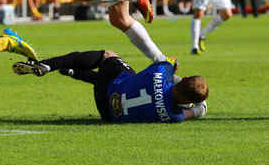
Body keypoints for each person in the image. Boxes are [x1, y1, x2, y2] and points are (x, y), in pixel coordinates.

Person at [12, 50, 208, 123]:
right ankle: (75, 72)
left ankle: (49, 65)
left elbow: (171, 62)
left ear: (184, 79)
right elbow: (192, 113)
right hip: (108, 114)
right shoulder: (173, 116)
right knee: (128, 79)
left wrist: (174, 72)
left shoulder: (160, 73)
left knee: (108, 56)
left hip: (109, 88)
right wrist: (200, 109)